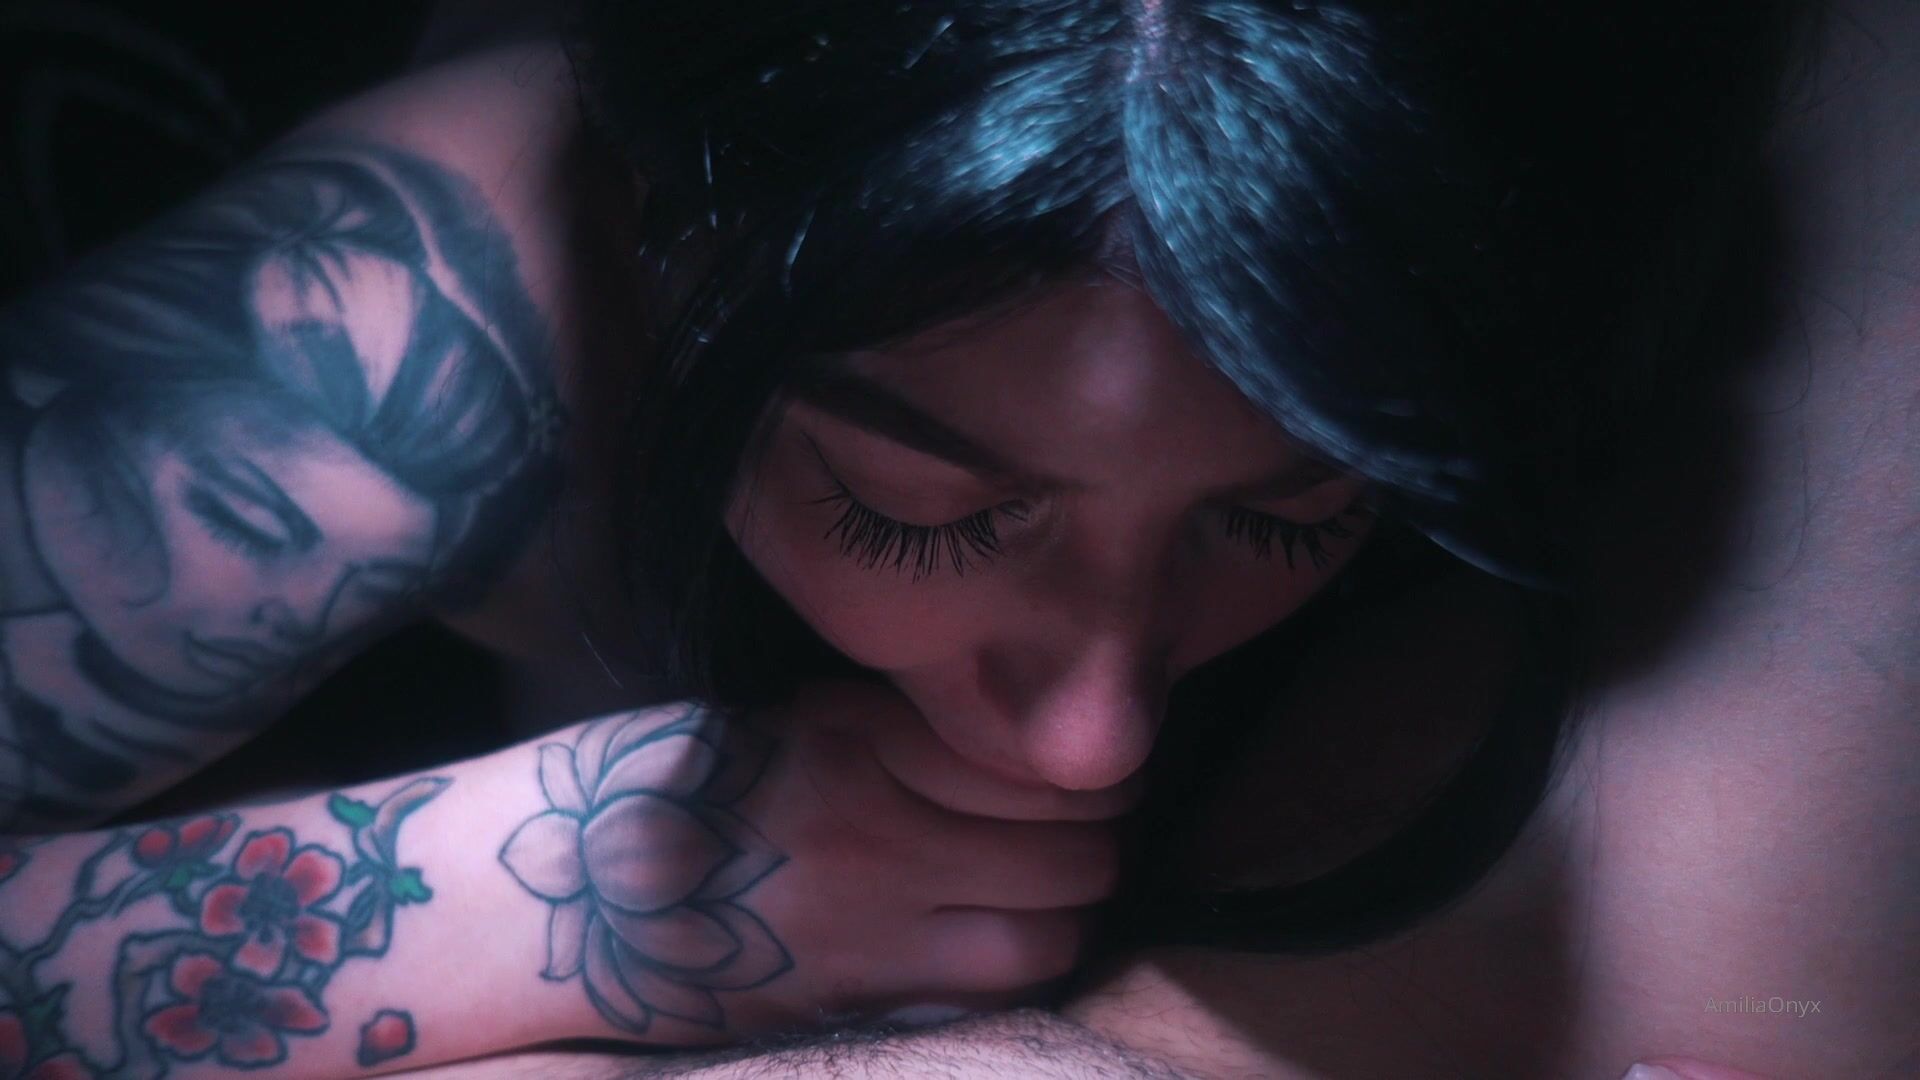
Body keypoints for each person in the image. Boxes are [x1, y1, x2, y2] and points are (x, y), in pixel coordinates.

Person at [0, 2, 1912, 1079]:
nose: (1092, 730)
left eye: (1290, 512)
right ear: (665, 253)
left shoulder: (1645, 318)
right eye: (915, 508)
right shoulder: (382, 336)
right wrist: (554, 897)